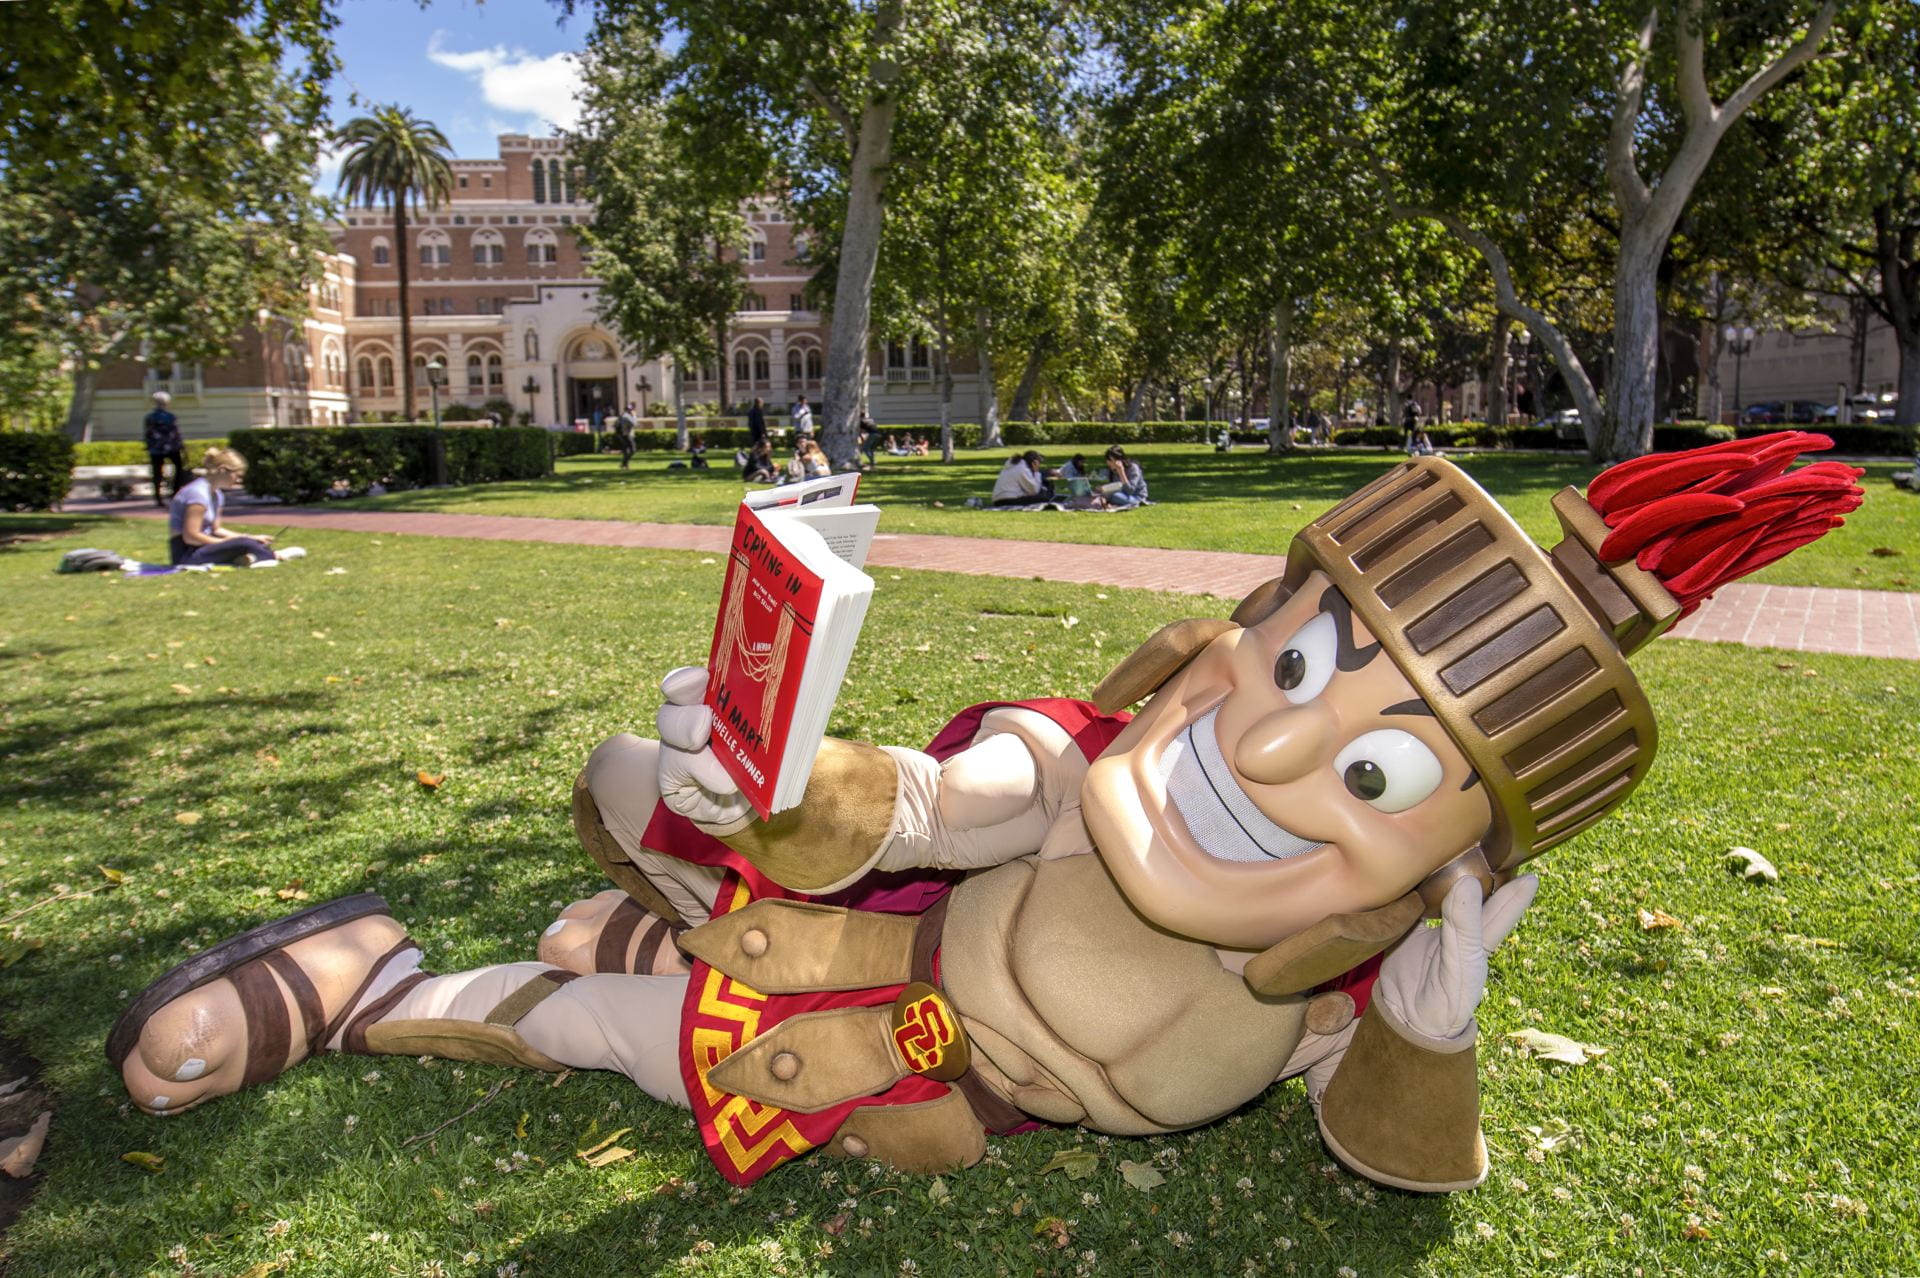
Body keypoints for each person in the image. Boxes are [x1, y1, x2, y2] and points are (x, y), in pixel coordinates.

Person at [111, 438, 1867, 1199]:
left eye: (1378, 771)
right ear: (1249, 624)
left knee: (632, 999)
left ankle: (621, 922)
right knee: (613, 968)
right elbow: (965, 801)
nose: (1268, 750)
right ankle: (369, 976)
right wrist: (802, 781)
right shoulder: (1097, 774)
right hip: (858, 949)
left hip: (896, 1069)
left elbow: (1394, 1150)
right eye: (1300, 658)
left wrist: (1427, 1032)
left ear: (1447, 853)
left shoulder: (1351, 968)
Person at [168, 449, 281, 567]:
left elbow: (216, 530)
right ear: (222, 470)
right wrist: (226, 542)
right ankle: (273, 555)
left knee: (248, 542)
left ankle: (253, 556)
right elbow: (190, 537)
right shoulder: (197, 494)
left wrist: (252, 537)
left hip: (203, 547)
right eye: (237, 475)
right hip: (187, 553)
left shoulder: (217, 494)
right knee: (244, 544)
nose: (238, 480)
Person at [143, 392, 185, 508]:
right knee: (178, 468)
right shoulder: (171, 416)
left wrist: (149, 446)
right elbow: (177, 433)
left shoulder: (149, 417)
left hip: (156, 449)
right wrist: (182, 446)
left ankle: (158, 497)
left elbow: (147, 434)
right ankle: (174, 493)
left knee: (157, 473)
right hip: (171, 447)